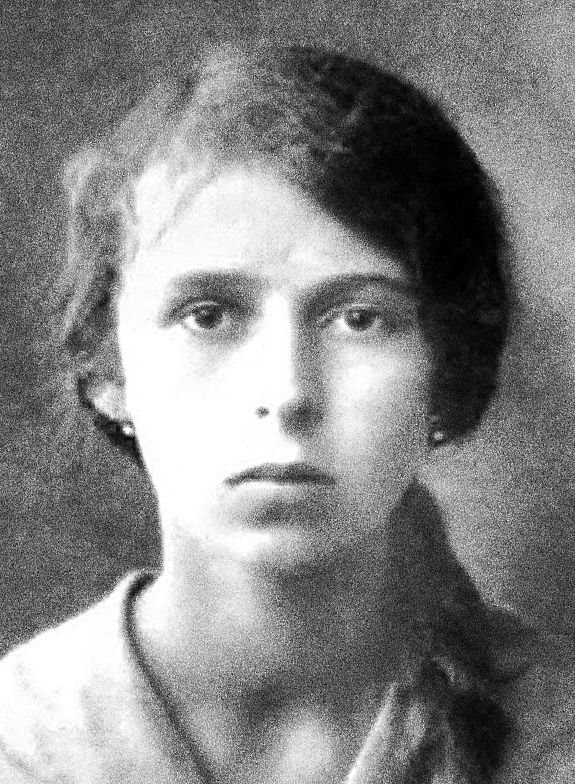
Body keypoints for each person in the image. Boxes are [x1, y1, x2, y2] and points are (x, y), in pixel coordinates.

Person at [0, 40, 574, 784]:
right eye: (208, 315)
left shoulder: (554, 737)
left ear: (447, 372)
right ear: (108, 370)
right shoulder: (19, 743)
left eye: (360, 319)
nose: (287, 391)